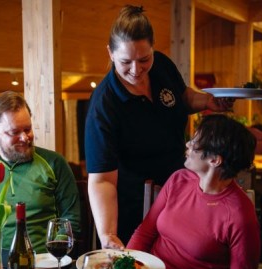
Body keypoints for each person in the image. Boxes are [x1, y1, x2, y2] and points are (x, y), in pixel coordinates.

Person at [84, 5, 234, 249]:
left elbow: (182, 97)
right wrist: (107, 234)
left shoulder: (162, 65)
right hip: (136, 205)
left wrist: (207, 100)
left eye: (144, 59)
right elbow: (102, 181)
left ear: (153, 48)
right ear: (110, 53)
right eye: (125, 61)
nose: (136, 70)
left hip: (181, 190)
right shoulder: (104, 106)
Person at [127, 114, 260, 269]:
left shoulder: (239, 214)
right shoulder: (179, 179)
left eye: (195, 143)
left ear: (214, 160)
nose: (188, 145)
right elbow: (144, 232)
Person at [0, 91, 81, 253]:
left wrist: (54, 256)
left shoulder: (54, 163)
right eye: (14, 132)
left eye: (27, 129)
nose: (25, 138)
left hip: (47, 262)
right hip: (1, 264)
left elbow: (71, 220)